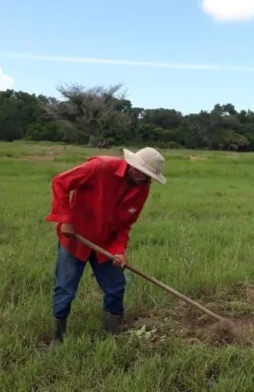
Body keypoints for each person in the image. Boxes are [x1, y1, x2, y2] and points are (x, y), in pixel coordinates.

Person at [45, 147, 167, 343]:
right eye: (145, 175)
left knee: (116, 286)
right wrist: (66, 219)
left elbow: (126, 223)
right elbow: (61, 182)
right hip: (76, 239)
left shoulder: (142, 187)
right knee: (65, 290)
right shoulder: (100, 167)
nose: (147, 180)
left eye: (150, 177)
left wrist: (119, 251)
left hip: (106, 245)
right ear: (134, 167)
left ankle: (111, 336)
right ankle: (57, 339)